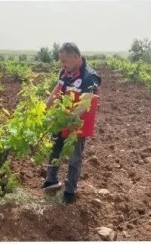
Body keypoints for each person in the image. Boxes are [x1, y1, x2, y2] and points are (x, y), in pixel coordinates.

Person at [41, 42, 101, 204]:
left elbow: (85, 104)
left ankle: (70, 190)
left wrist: (68, 119)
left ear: (76, 57)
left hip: (77, 125)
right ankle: (51, 180)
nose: (62, 65)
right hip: (60, 120)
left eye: (64, 61)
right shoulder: (65, 73)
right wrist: (42, 111)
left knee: (74, 158)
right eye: (61, 62)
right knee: (54, 150)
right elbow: (56, 92)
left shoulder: (91, 77)